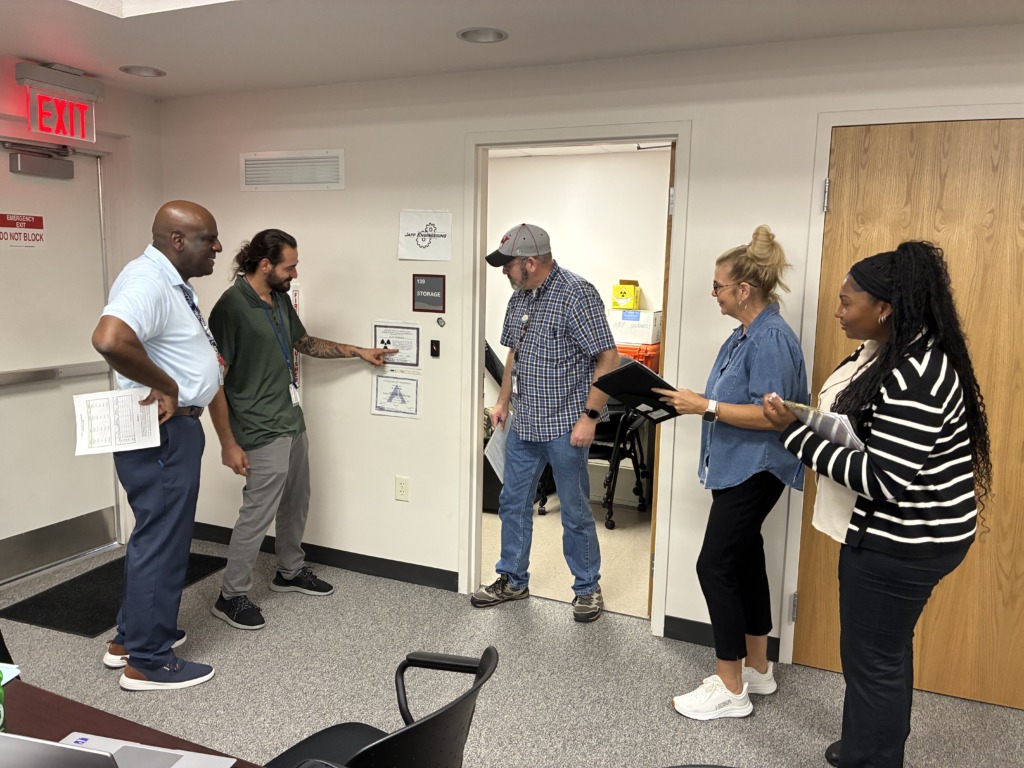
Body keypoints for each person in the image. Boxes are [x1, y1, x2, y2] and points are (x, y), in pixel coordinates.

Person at [763, 241, 991, 768]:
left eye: (847, 303)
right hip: (905, 534)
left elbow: (883, 478)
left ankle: (873, 758)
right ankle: (870, 744)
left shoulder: (915, 373)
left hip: (904, 541)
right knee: (882, 651)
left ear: (884, 307)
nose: (838, 312)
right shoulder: (893, 351)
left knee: (874, 659)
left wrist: (794, 437)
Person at [653, 224, 807, 720]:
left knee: (714, 565)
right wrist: (690, 403)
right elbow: (725, 399)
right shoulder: (745, 335)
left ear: (744, 289)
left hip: (756, 468)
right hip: (739, 466)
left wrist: (706, 407)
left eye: (718, 286)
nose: (713, 294)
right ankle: (758, 668)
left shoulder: (771, 339)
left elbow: (772, 416)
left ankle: (730, 685)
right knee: (743, 560)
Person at [207, 228, 394, 630]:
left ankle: (289, 571)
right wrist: (227, 442)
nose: (294, 273)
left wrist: (357, 351)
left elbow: (303, 342)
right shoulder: (230, 308)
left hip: (291, 420)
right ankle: (231, 595)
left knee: (297, 500)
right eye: (289, 267)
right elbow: (213, 380)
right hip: (258, 428)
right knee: (256, 514)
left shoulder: (277, 300)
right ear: (264, 265)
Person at [91, 200, 241, 690]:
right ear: (177, 241)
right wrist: (170, 386)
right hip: (160, 428)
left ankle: (129, 639)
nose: (218, 247)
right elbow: (111, 339)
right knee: (164, 539)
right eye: (209, 238)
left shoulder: (168, 283)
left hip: (169, 429)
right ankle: (148, 662)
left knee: (156, 534)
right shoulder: (148, 281)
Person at [471, 223, 619, 622]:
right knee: (512, 503)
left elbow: (608, 357)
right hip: (525, 423)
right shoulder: (519, 297)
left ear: (531, 262)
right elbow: (514, 355)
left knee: (574, 510)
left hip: (567, 426)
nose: (503, 271)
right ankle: (513, 579)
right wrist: (502, 401)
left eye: (508, 264)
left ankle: (587, 588)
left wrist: (589, 417)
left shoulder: (577, 294)